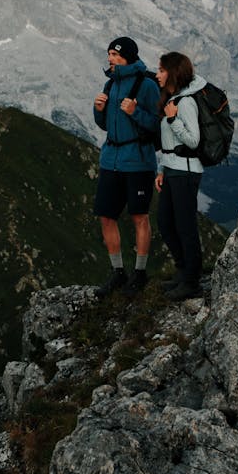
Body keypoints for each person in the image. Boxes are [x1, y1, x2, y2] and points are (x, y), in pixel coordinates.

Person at [93, 36, 161, 297]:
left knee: (139, 216)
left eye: (115, 54)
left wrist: (135, 113)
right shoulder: (110, 84)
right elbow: (106, 125)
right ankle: (118, 273)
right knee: (106, 216)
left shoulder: (146, 85)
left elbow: (158, 124)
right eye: (109, 53)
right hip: (111, 159)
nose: (110, 58)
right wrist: (98, 110)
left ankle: (140, 274)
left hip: (138, 162)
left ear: (128, 56)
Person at [155, 51, 206, 300]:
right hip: (173, 170)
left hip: (186, 172)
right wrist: (161, 170)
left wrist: (173, 118)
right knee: (165, 222)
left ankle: (192, 282)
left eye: (162, 70)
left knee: (185, 227)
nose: (157, 75)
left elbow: (193, 141)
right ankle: (183, 270)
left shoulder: (185, 102)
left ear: (173, 72)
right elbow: (167, 142)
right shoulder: (172, 98)